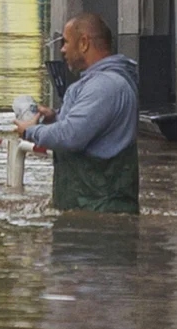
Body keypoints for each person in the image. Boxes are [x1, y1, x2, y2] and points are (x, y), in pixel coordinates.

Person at [13, 12, 140, 213]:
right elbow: (81, 128)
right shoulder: (98, 84)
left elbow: (71, 136)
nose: (62, 49)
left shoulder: (104, 86)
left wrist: (31, 131)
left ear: (83, 43)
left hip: (100, 217)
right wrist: (54, 118)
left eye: (65, 42)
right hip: (88, 210)